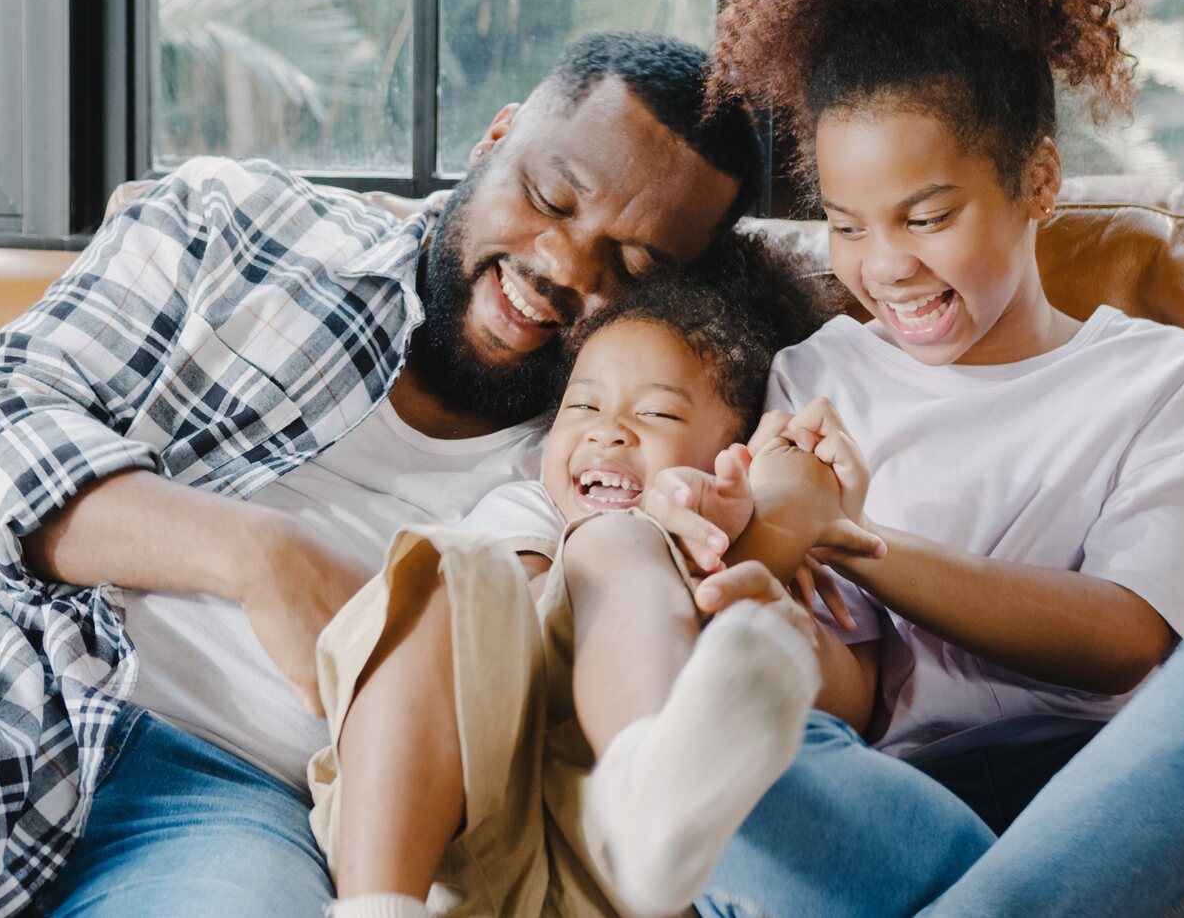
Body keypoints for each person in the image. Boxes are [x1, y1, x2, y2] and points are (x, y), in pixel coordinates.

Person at [0, 32, 767, 918]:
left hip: (240, 806)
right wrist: (255, 556)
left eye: (627, 261)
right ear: (495, 138)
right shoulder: (235, 223)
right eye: (547, 196)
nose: (556, 264)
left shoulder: (601, 447)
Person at [635, 0, 1184, 916]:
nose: (882, 265)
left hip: (1146, 813)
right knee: (704, 722)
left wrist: (850, 534)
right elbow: (848, 695)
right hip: (898, 814)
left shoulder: (1157, 380)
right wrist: (753, 579)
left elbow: (1120, 639)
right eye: (846, 226)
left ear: (1035, 180)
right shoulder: (819, 373)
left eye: (927, 214)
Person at [314, 237, 867, 918]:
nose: (607, 434)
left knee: (628, 552)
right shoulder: (530, 508)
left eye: (657, 413)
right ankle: (377, 907)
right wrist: (650, 546)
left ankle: (658, 791)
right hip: (459, 828)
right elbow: (508, 627)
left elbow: (851, 703)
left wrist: (755, 552)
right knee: (441, 574)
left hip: (614, 875)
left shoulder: (750, 556)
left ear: (735, 451)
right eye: (582, 407)